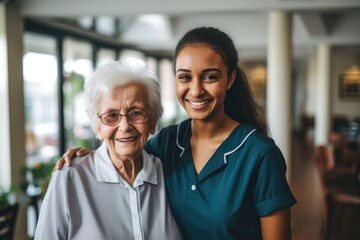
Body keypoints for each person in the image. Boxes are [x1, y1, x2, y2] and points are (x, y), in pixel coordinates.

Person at [56, 27, 297, 240]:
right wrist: (88, 157)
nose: (196, 90)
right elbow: (124, 154)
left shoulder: (260, 154)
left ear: (230, 78)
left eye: (210, 77)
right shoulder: (166, 143)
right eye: (184, 77)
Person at [34, 60, 182, 240]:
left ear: (152, 122)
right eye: (111, 115)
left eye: (136, 112)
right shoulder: (70, 177)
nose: (125, 126)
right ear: (98, 127)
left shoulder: (167, 172)